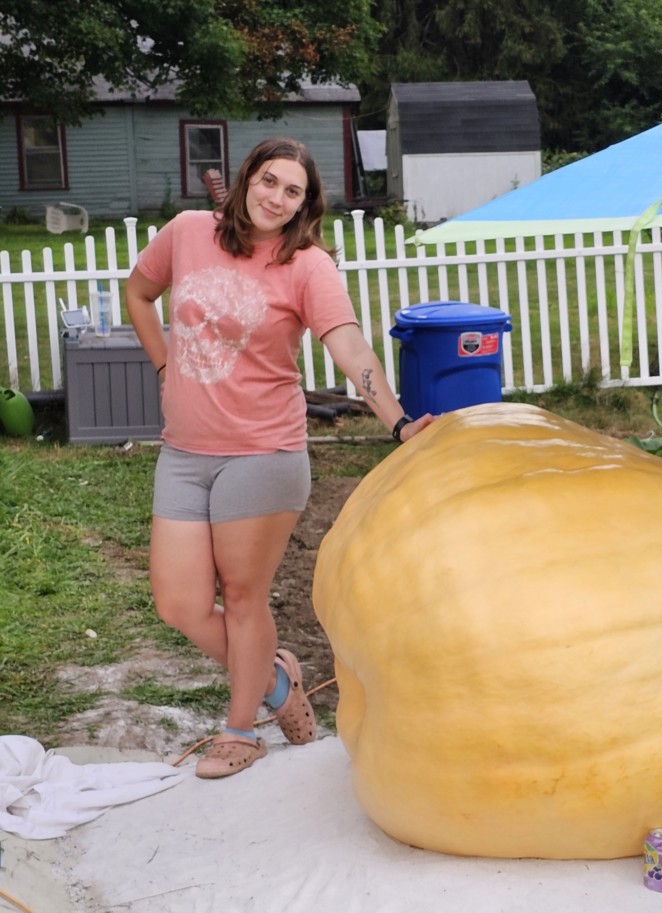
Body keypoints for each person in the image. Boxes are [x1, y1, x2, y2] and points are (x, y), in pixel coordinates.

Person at [127, 137, 434, 779]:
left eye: (293, 191)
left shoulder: (307, 266)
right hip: (183, 451)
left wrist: (400, 422)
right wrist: (162, 365)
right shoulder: (187, 232)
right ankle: (275, 680)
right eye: (269, 181)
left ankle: (241, 731)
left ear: (304, 205)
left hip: (263, 452)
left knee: (244, 598)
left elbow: (349, 347)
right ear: (247, 178)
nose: (276, 198)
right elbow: (139, 291)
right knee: (178, 604)